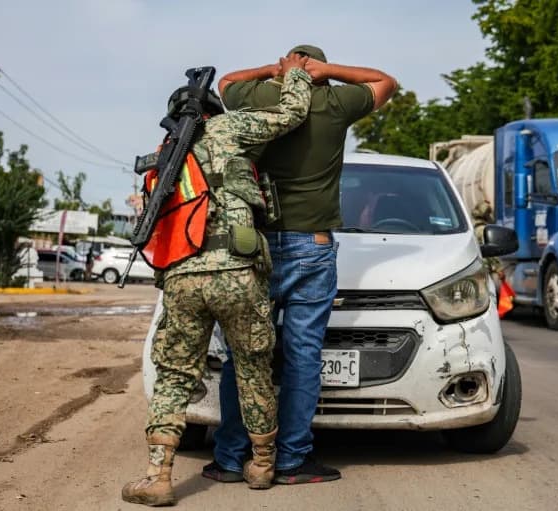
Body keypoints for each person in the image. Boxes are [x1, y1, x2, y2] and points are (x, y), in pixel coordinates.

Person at [121, 54, 312, 507]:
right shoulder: (230, 129)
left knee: (174, 375)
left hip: (183, 277)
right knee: (252, 368)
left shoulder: (165, 159)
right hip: (237, 272)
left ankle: (158, 475)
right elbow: (293, 114)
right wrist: (295, 74)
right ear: (213, 110)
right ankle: (263, 464)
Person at [204, 45, 397, 485]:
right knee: (303, 353)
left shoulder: (259, 101)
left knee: (244, 353)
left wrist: (274, 69)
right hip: (312, 247)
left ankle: (233, 457)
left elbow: (226, 82)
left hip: (255, 247)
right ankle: (291, 458)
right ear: (319, 76)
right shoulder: (333, 103)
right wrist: (326, 72)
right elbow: (385, 81)